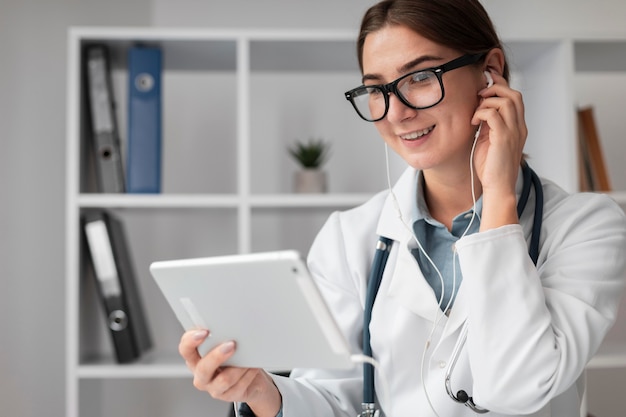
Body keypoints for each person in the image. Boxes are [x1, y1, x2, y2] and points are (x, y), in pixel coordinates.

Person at [178, 0, 626, 416]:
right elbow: (335, 401)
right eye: (377, 90)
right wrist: (259, 391)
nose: (396, 113)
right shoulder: (348, 238)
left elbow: (518, 386)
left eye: (420, 77)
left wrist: (499, 196)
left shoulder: (586, 227)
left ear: (490, 72)